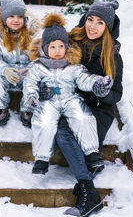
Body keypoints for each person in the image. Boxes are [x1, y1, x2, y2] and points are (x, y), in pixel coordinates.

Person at [39, 0, 123, 217]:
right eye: (90, 19)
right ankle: (90, 190)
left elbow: (117, 94)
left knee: (75, 138)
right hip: (72, 105)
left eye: (99, 22)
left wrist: (101, 91)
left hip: (97, 110)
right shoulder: (69, 42)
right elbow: (46, 65)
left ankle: (87, 191)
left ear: (107, 27)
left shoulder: (112, 55)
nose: (92, 26)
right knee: (62, 133)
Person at [22, 13, 113, 175]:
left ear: (67, 47)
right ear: (44, 48)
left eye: (61, 46)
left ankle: (92, 153)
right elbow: (30, 82)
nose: (57, 51)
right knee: (43, 121)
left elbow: (84, 79)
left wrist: (96, 84)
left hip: (70, 98)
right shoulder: (38, 67)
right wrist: (32, 96)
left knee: (83, 117)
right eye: (52, 47)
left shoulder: (73, 66)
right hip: (48, 101)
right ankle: (42, 159)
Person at [0, 0, 41, 127]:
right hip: (7, 75)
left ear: (25, 18)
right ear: (4, 19)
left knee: (38, 79)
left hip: (26, 76)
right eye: (11, 16)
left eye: (20, 16)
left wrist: (29, 69)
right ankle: (1, 108)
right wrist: (5, 70)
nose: (16, 20)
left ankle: (27, 110)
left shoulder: (32, 36)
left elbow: (40, 57)